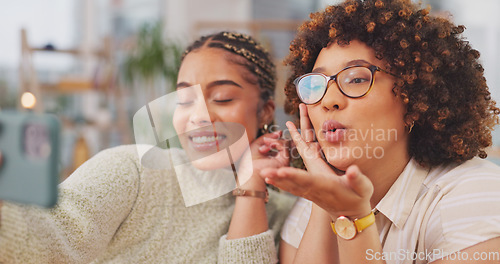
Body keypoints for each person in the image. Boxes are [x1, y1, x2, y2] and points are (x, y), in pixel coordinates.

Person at [0, 31, 295, 263]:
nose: (198, 117)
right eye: (184, 100)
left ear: (266, 111)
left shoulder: (283, 214)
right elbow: (45, 242)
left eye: (222, 98)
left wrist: (250, 191)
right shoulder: (134, 172)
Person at [260, 0, 500, 263]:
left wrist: (351, 218)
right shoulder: (310, 206)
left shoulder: (477, 197)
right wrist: (326, 203)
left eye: (356, 79)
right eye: (316, 85)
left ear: (414, 100)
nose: (329, 100)